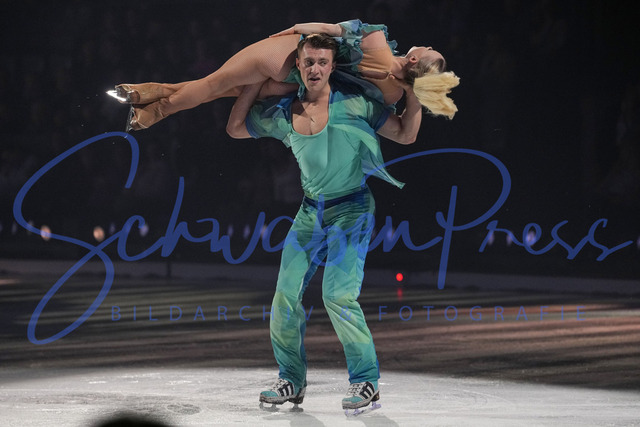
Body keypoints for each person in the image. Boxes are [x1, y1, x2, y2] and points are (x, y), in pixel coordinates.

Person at [225, 32, 423, 411]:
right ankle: (291, 379)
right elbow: (235, 128)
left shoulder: (355, 103)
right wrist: (253, 81)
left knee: (337, 295)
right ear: (298, 67)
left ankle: (366, 381)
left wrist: (414, 91)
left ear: (332, 67)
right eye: (309, 62)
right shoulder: (285, 114)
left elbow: (405, 133)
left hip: (352, 210)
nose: (315, 69)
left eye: (322, 62)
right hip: (310, 212)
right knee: (284, 295)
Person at [112, 19, 459, 130]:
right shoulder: (393, 96)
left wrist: (294, 29)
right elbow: (407, 135)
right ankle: (148, 93)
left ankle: (157, 112)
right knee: (221, 90)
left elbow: (329, 29)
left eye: (430, 50)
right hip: (298, 84)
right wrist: (413, 95)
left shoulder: (377, 40)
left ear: (415, 59)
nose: (427, 44)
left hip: (291, 54)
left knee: (214, 83)